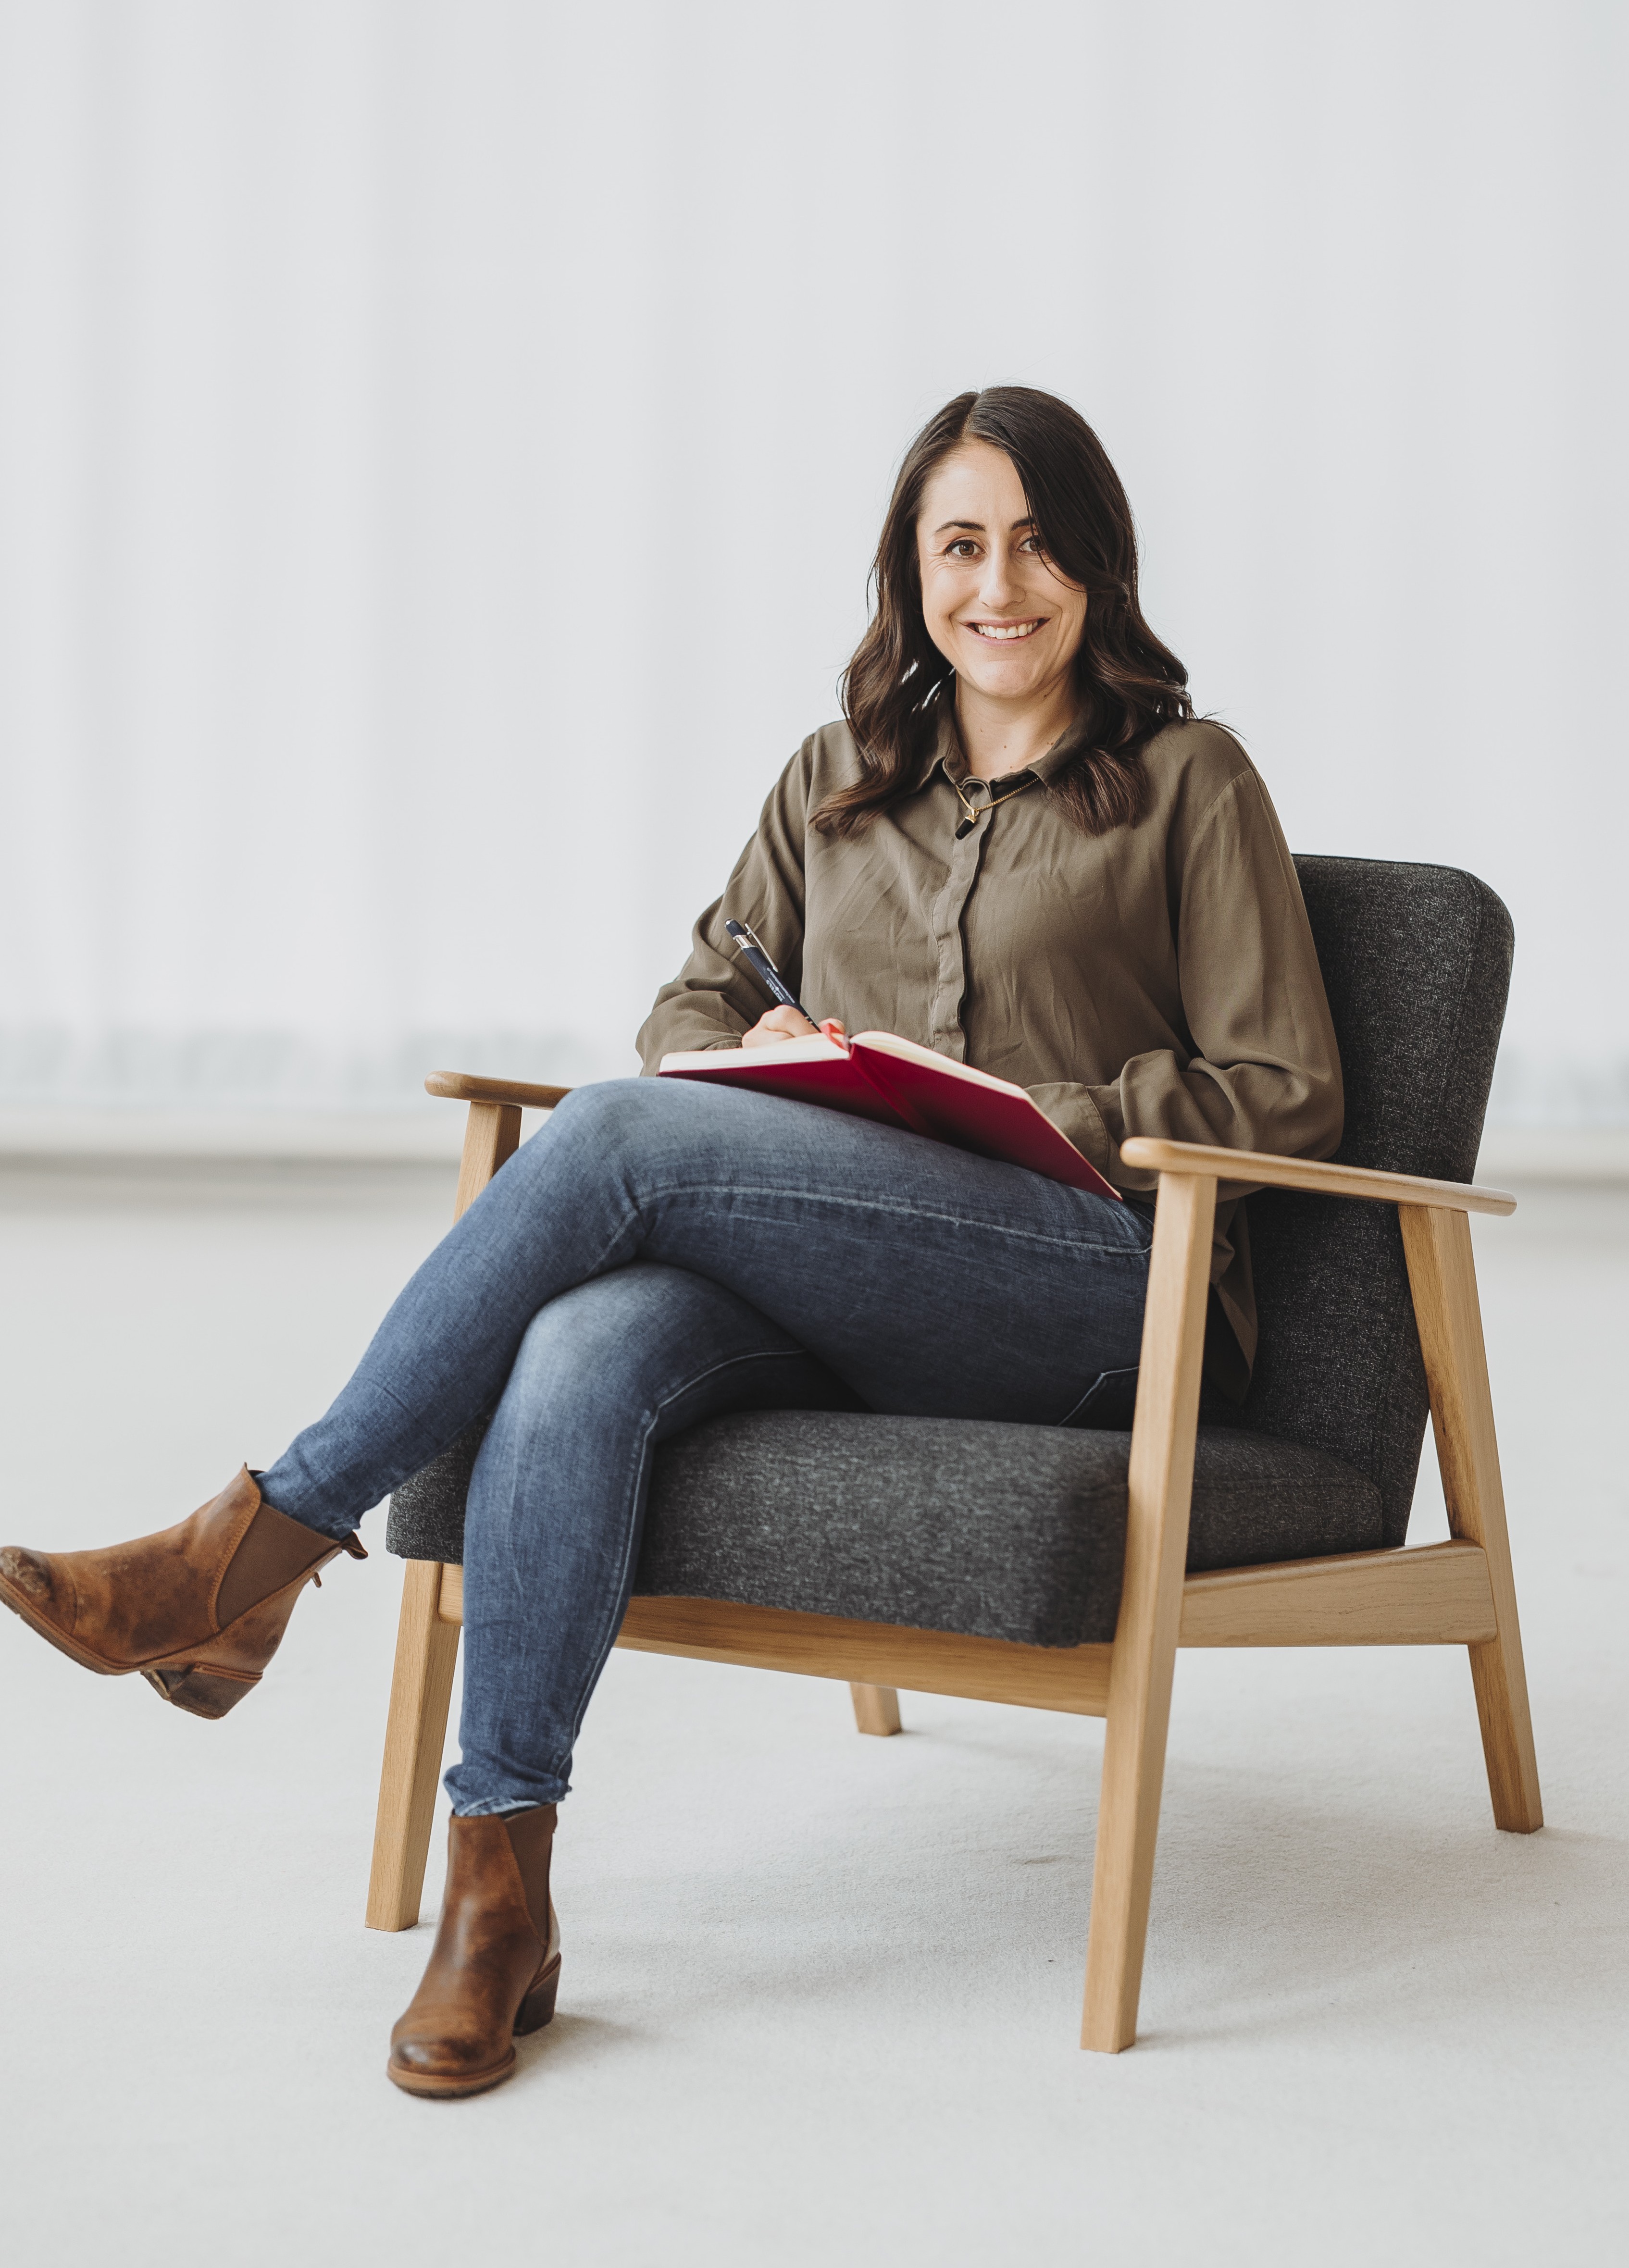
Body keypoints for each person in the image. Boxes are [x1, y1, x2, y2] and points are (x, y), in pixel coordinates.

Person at [0, 386, 1342, 2098]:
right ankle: (499, 1897)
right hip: (850, 1287)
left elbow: (1288, 1091)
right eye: (959, 545)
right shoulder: (837, 779)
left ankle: (248, 1556)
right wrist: (762, 1055)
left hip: (1091, 1302)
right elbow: (694, 1003)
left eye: (1036, 544)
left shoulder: (1189, 780)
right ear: (912, 571)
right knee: (582, 1343)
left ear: (1097, 564)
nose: (999, 584)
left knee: (621, 1137)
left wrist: (1039, 1110)